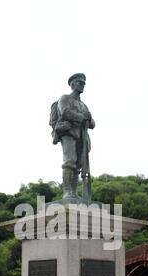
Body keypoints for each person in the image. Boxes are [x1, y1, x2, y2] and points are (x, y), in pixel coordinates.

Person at [52, 73, 95, 202]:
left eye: (83, 83)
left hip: (82, 136)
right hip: (69, 133)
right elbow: (65, 112)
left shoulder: (84, 105)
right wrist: (82, 117)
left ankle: (74, 193)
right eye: (79, 83)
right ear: (72, 84)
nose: (82, 85)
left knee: (78, 165)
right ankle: (67, 192)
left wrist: (89, 119)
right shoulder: (64, 98)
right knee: (69, 161)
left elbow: (92, 124)